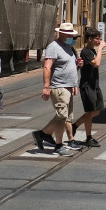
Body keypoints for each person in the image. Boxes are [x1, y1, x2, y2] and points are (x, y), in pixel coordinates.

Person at [32, 22, 83, 156]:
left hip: (68, 87)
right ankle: (58, 145)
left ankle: (42, 134)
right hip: (59, 86)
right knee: (61, 116)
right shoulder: (53, 47)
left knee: (65, 116)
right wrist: (46, 87)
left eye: (71, 34)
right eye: (67, 34)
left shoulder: (68, 47)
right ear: (60, 33)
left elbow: (67, 68)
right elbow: (47, 67)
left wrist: (76, 76)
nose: (70, 36)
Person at [75, 30, 106, 147]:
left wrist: (98, 50)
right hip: (87, 85)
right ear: (89, 39)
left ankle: (75, 126)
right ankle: (88, 137)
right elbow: (96, 63)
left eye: (99, 38)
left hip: (95, 85)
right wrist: (100, 49)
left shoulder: (92, 51)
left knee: (97, 110)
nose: (99, 40)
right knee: (90, 111)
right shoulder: (86, 51)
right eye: (97, 38)